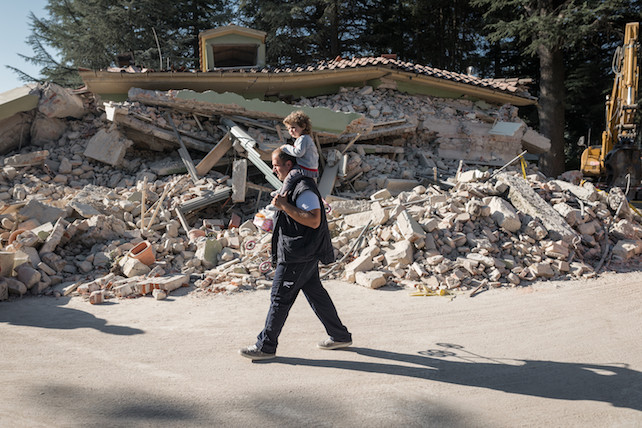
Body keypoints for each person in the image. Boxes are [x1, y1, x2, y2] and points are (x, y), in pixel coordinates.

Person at [239, 148, 352, 361]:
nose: (273, 170)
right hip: (302, 253)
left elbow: (314, 220)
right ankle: (339, 335)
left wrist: (284, 206)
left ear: (289, 165)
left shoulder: (303, 187)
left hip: (298, 255)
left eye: (276, 165)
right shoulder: (293, 185)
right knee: (316, 294)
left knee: (279, 298)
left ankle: (266, 346)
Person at [277, 110, 319, 196]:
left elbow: (298, 152)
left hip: (305, 167)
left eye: (293, 127)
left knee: (289, 178)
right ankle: (282, 190)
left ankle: (281, 195)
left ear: (303, 126)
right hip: (308, 166)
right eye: (288, 129)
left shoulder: (303, 138)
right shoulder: (304, 138)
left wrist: (286, 147)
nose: (290, 131)